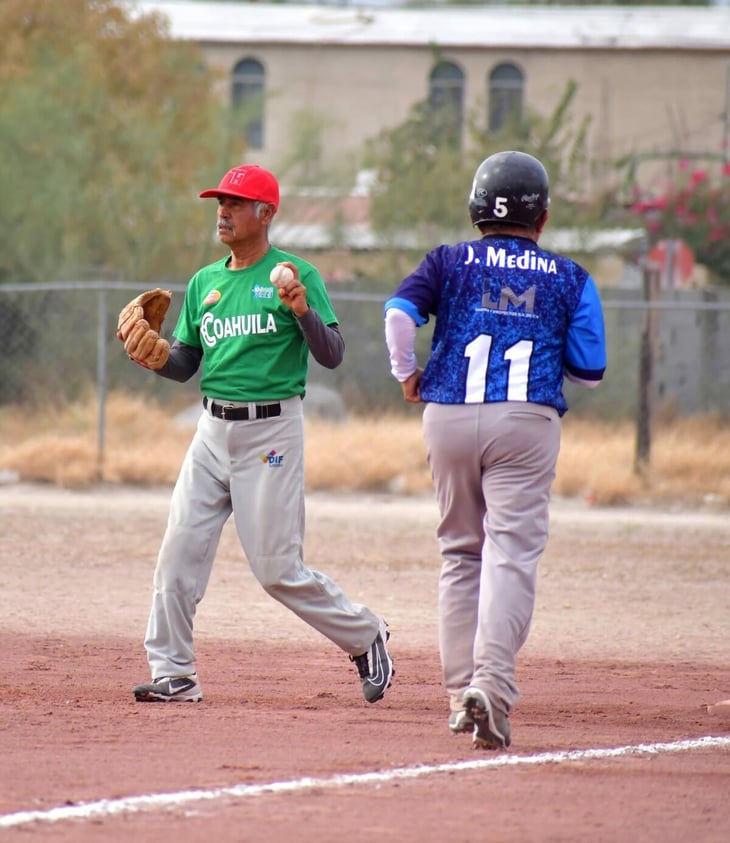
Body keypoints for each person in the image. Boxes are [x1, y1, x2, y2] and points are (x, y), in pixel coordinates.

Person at [123, 164, 393, 705]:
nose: (222, 212)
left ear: (265, 213)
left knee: (276, 570)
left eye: (235, 203)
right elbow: (186, 363)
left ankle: (365, 636)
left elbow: (333, 355)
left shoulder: (295, 274)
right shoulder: (206, 282)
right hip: (211, 430)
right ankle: (174, 672)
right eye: (220, 202)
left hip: (270, 432)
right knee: (177, 552)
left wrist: (303, 312)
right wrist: (155, 356)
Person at [383, 150, 606, 749]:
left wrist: (407, 372)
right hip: (525, 422)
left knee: (460, 553)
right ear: (544, 216)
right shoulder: (570, 276)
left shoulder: (448, 260)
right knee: (509, 553)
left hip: (448, 414)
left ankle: (461, 694)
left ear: (477, 210)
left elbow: (400, 315)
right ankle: (492, 686)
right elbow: (590, 371)